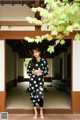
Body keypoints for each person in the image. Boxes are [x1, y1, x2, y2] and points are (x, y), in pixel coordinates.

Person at [27, 47, 49, 120]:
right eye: (34, 52)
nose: (35, 54)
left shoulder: (44, 61)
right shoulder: (31, 61)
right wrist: (34, 72)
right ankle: (36, 113)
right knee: (33, 97)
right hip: (32, 81)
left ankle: (41, 112)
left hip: (40, 81)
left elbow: (47, 71)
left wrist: (41, 72)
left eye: (36, 52)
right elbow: (28, 71)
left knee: (40, 97)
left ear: (39, 52)